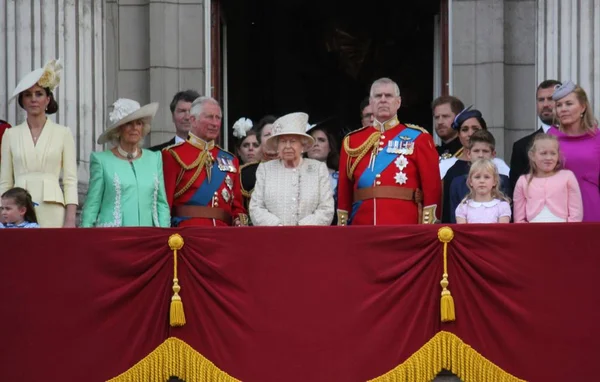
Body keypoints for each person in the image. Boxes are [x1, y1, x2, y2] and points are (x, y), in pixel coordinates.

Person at [337, 77, 441, 225]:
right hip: (361, 224)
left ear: (398, 102)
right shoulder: (352, 141)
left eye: (389, 96)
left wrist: (428, 226)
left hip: (403, 224)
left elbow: (432, 188)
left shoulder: (419, 138)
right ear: (371, 103)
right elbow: (344, 191)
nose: (383, 100)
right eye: (378, 96)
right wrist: (343, 226)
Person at [0, 59, 78, 228]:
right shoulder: (10, 134)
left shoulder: (63, 133)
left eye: (39, 93)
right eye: (28, 94)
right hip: (18, 211)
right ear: (22, 101)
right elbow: (5, 181)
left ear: (48, 99)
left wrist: (70, 219)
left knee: (54, 254)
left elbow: (70, 180)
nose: (33, 99)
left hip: (53, 209)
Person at [81, 99, 170, 227]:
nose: (134, 128)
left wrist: (164, 235)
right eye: (129, 123)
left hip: (149, 236)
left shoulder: (154, 158)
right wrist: (85, 236)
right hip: (114, 238)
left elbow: (161, 203)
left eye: (138, 123)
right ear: (118, 130)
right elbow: (92, 204)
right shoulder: (101, 160)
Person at [162, 96, 248, 227]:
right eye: (209, 117)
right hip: (187, 235)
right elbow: (165, 204)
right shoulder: (172, 155)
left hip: (223, 235)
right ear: (193, 120)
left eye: (218, 118)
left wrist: (239, 220)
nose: (215, 123)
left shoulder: (231, 160)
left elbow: (237, 206)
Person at [249, 112, 334, 226]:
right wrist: (278, 227)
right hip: (274, 237)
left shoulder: (318, 169)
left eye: (293, 141)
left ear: (302, 145)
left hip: (309, 238)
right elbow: (256, 208)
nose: (288, 146)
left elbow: (326, 209)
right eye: (283, 141)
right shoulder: (265, 169)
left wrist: (301, 228)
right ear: (277, 146)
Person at [440, 107, 510, 223]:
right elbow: (450, 215)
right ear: (469, 153)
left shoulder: (503, 179)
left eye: (485, 151)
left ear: (493, 154)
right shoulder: (456, 181)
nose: (481, 155)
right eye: (476, 151)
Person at [548, 81, 600, 222]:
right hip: (557, 206)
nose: (563, 109)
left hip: (591, 205)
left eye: (569, 104)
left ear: (583, 107)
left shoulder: (597, 138)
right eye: (559, 105)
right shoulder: (549, 138)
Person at [513, 134, 583, 223]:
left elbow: (576, 212)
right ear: (532, 155)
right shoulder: (523, 181)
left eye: (553, 153)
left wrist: (568, 231)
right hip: (533, 234)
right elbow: (519, 219)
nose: (548, 158)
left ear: (558, 155)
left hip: (563, 232)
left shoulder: (567, 176)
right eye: (543, 153)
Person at [509, 80, 562, 196]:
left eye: (551, 99)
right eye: (541, 100)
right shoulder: (521, 146)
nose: (545, 104)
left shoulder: (579, 140)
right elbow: (516, 192)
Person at [455, 159, 512, 224]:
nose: (482, 181)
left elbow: (502, 232)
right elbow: (463, 231)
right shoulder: (463, 208)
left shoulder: (502, 207)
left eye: (487, 177)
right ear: (470, 182)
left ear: (494, 182)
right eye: (477, 177)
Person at [240, 115, 278, 211]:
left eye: (276, 134)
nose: (271, 138)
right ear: (259, 141)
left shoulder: (294, 169)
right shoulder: (245, 173)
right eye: (267, 135)